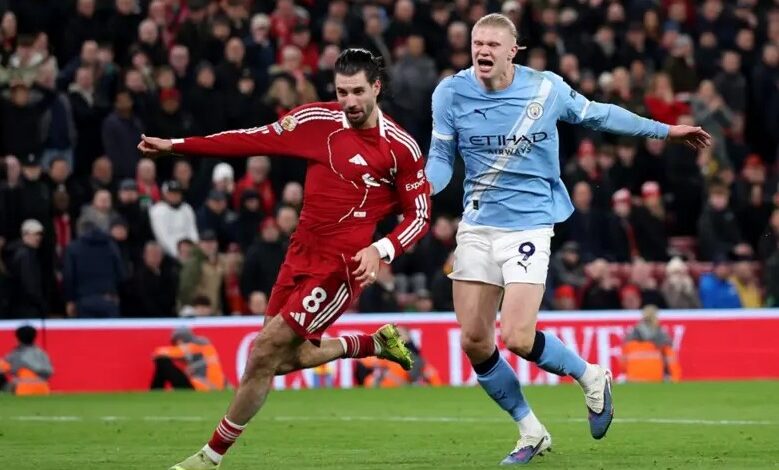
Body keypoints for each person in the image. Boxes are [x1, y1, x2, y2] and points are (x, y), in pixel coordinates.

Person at [424, 13, 712, 464]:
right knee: (474, 340)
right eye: (478, 42)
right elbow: (441, 158)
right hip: (477, 225)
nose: (482, 50)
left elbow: (600, 115)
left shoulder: (546, 89)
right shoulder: (450, 92)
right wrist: (421, 188)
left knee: (517, 336)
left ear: (513, 51)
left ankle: (591, 376)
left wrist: (664, 130)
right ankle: (530, 430)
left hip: (530, 224)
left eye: (493, 44)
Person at [138, 48, 431, 470]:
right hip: (299, 254)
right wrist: (177, 147)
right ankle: (371, 343)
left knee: (262, 352)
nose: (349, 101)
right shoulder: (315, 121)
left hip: (340, 267)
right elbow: (249, 139)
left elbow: (419, 215)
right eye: (342, 91)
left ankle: (210, 457)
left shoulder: (400, 147)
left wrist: (380, 249)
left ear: (376, 87)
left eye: (357, 91)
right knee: (283, 360)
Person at [150, 326, 226, 391]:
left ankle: (155, 391)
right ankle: (155, 391)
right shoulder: (204, 348)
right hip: (211, 387)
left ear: (180, 341)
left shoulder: (195, 345)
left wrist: (157, 354)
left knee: (162, 361)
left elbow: (160, 353)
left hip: (201, 388)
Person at [0, 325, 53, 395]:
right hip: (43, 389)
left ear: (17, 338)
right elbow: (49, 372)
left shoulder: (15, 354)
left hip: (21, 389)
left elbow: (2, 368)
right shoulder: (41, 353)